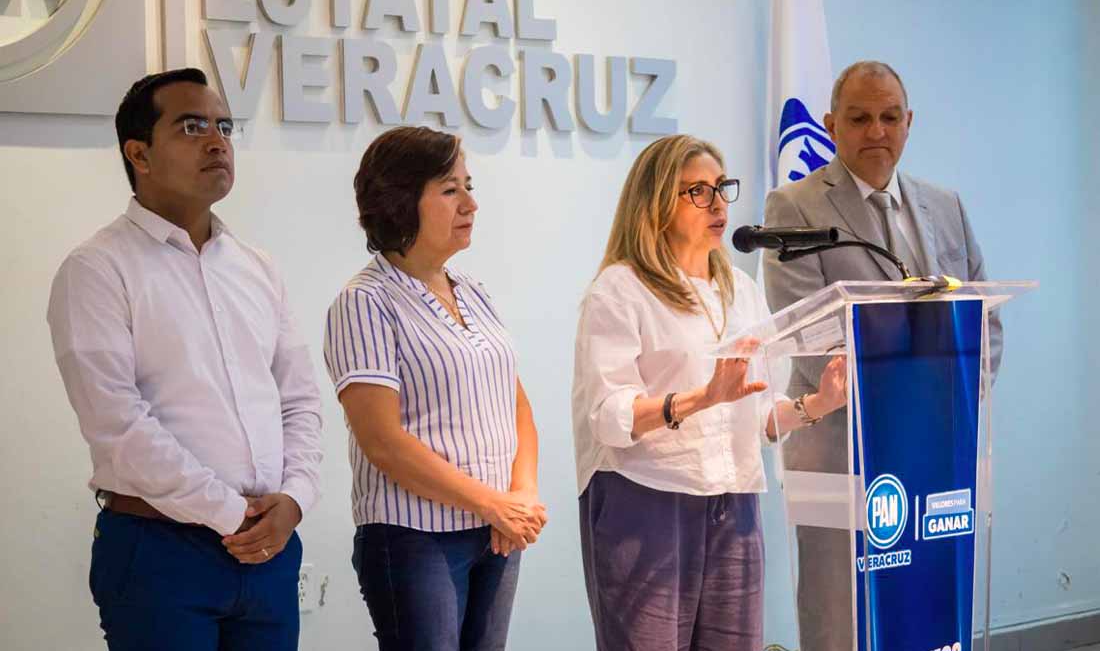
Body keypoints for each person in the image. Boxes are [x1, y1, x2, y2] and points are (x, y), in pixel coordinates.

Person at [46, 68, 323, 650]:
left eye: (224, 127)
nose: (217, 141)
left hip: (269, 550)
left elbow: (298, 399)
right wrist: (229, 512)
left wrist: (295, 500)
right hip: (159, 549)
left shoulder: (257, 268)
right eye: (192, 127)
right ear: (139, 154)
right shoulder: (97, 269)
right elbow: (117, 423)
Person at [572, 134, 848, 651]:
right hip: (646, 498)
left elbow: (759, 415)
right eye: (697, 191)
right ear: (655, 203)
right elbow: (608, 416)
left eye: (721, 187)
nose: (718, 203)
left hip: (732, 501)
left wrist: (818, 404)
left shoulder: (741, 290)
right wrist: (703, 398)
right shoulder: (620, 289)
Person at [762, 60, 1003, 651]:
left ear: (908, 122)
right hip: (842, 455)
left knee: (930, 612)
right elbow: (808, 334)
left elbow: (986, 322)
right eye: (860, 118)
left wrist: (952, 407)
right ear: (831, 125)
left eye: (890, 117)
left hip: (938, 457)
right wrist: (898, 411)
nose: (877, 131)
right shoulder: (795, 207)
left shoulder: (946, 205)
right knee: (841, 620)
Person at [322, 126, 547, 651]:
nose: (470, 203)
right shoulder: (365, 301)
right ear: (400, 200)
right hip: (413, 537)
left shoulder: (474, 291)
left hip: (496, 530)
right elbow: (382, 442)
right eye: (450, 190)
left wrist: (522, 494)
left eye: (469, 186)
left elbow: (515, 404)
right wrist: (491, 503)